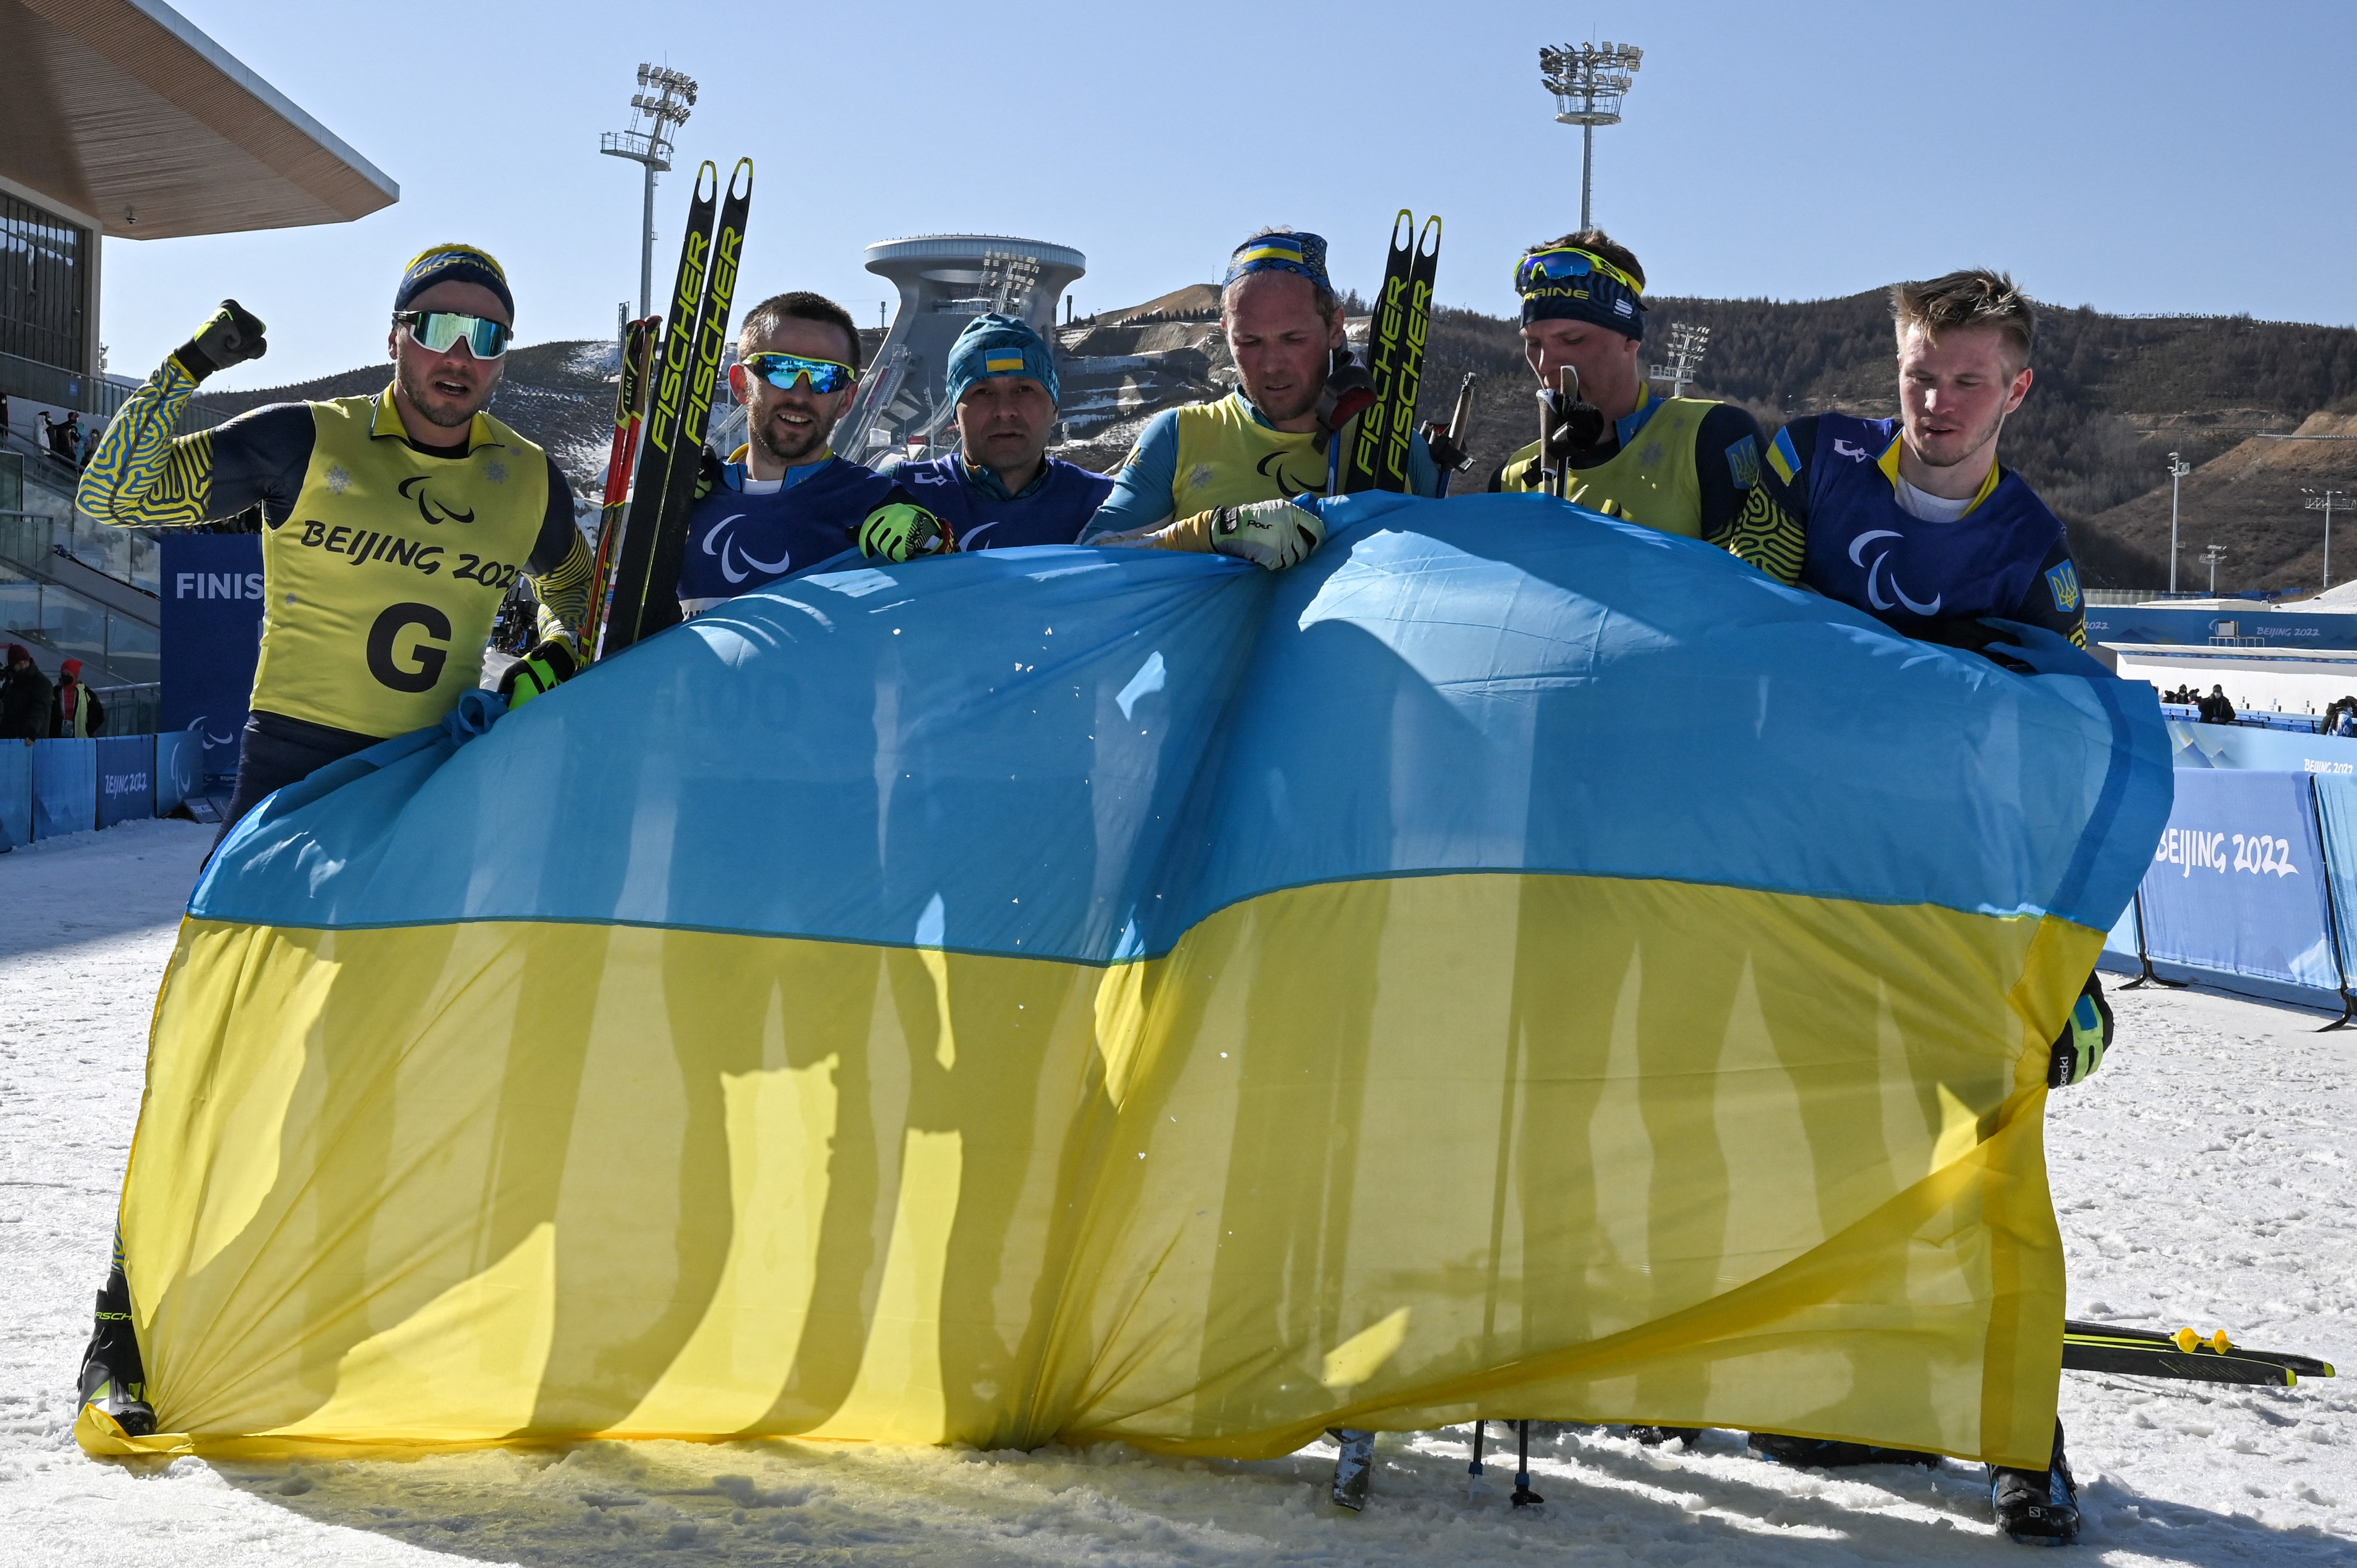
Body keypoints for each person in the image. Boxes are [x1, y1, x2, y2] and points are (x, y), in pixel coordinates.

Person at [77, 243, 595, 848]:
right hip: (293, 766)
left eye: (488, 337)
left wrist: (558, 649)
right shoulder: (304, 437)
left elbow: (579, 590)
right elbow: (114, 495)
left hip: (435, 770)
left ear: (503, 360)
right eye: (438, 327)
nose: (460, 355)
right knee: (237, 945)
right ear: (395, 338)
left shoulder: (531, 477)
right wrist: (188, 365)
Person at [1737, 270, 2085, 653]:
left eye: (1967, 383)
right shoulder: (1814, 457)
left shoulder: (2037, 554)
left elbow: (2067, 704)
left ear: (2016, 391)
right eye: (1920, 377)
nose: (1936, 404)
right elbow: (1741, 617)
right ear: (1899, 366)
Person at [1082, 228, 1441, 570]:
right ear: (1226, 334)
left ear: (1334, 328)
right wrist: (1210, 533)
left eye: (1293, 339)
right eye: (1249, 342)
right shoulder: (1180, 437)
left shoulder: (1393, 447)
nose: (1271, 365)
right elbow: (1089, 560)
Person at [1487, 230, 1772, 557]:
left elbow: (1754, 592)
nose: (1545, 363)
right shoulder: (1515, 476)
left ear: (1629, 338)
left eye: (1573, 340)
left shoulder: (1712, 437)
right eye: (1533, 343)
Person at [672, 290, 947, 620]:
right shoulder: (691, 496)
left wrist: (936, 545)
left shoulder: (874, 502)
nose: (801, 394)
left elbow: (947, 621)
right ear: (742, 383)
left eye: (826, 376)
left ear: (847, 399)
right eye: (781, 368)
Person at [878, 313, 1112, 549]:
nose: (1004, 410)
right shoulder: (899, 492)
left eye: (1024, 389)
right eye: (982, 392)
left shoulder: (1105, 503)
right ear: (955, 415)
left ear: (1054, 408)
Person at [1, 644, 51, 742]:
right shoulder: (9, 680)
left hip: (30, 738)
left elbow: (40, 709)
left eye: (25, 662)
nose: (23, 666)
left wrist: (32, 730)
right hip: (9, 737)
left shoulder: (41, 682)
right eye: (19, 663)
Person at [48, 658, 104, 738]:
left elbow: (99, 715)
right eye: (63, 674)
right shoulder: (55, 692)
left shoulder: (86, 694)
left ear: (76, 676)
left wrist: (87, 730)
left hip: (79, 737)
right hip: (57, 737)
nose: (65, 676)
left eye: (68, 674)